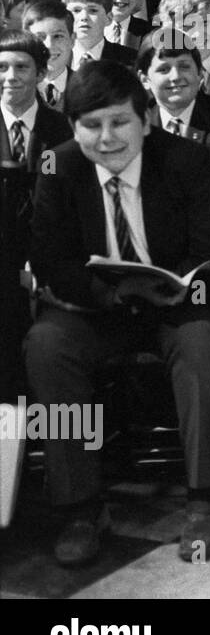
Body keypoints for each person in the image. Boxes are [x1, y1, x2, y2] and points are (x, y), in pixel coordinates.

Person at [25, 60, 210, 566]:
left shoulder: (184, 158)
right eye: (90, 125)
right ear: (73, 126)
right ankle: (79, 506)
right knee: (45, 345)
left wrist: (179, 284)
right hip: (97, 307)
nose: (106, 139)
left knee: (202, 342)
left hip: (175, 303)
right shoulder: (58, 166)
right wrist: (110, 294)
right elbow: (51, 260)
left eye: (119, 122)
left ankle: (205, 500)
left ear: (145, 119)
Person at [0, 28, 73, 400]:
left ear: (41, 74)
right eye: (2, 67)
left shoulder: (61, 130)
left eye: (21, 67)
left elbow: (65, 205)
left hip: (46, 258)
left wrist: (37, 264)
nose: (10, 77)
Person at [137, 27, 210, 188]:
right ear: (144, 79)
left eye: (184, 66)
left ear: (200, 73)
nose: (176, 76)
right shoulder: (134, 123)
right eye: (164, 69)